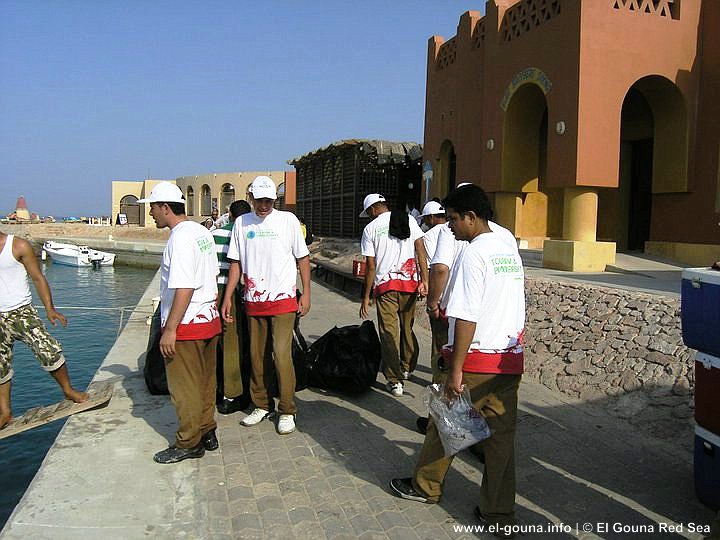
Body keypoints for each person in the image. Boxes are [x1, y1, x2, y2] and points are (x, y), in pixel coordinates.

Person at [390, 184, 526, 539]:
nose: (448, 227)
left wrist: (456, 369)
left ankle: (426, 486)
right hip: (508, 361)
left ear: (471, 217)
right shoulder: (507, 246)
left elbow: (465, 316)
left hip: (476, 360)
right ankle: (497, 513)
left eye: (452, 220)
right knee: (500, 443)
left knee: (445, 424)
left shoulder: (474, 254)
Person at [140, 182, 222, 464]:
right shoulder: (202, 232)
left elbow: (184, 287)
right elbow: (211, 275)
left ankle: (188, 442)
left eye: (152, 207)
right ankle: (206, 430)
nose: (151, 213)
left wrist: (170, 329)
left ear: (165, 208)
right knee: (205, 382)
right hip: (208, 319)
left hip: (187, 324)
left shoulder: (179, 239)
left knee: (184, 387)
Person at [222, 176, 311, 435]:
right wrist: (228, 295)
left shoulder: (288, 221)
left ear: (275, 199)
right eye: (259, 200)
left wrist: (306, 294)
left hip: (283, 300)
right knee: (256, 356)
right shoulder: (242, 222)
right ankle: (261, 404)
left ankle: (287, 409)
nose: (263, 205)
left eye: (268, 201)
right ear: (251, 198)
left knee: (281, 355)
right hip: (253, 301)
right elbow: (236, 263)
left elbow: (303, 258)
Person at [0, 232, 88, 430]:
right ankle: (5, 412)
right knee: (0, 366)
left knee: (47, 350)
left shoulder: (18, 246)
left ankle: (68, 390)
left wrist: (50, 309)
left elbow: (38, 278)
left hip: (21, 313)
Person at [359, 193, 428, 397]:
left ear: (372, 209)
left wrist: (366, 295)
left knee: (389, 332)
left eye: (369, 213)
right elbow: (420, 251)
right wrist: (424, 280)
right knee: (407, 327)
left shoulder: (370, 229)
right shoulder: (408, 219)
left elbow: (371, 266)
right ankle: (406, 366)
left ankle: (394, 379)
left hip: (386, 286)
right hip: (409, 283)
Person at [213, 200, 252, 414]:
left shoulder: (214, 234)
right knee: (232, 345)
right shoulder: (248, 235)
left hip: (213, 292)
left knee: (216, 343)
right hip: (236, 294)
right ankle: (233, 394)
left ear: (229, 215)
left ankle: (216, 390)